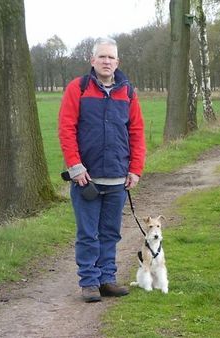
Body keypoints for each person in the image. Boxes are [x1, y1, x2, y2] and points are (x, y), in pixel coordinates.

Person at [58, 37, 146, 302]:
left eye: (111, 58)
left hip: (119, 178)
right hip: (86, 179)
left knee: (110, 232)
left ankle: (107, 278)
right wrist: (74, 166)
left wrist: (135, 169)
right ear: (92, 60)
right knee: (88, 233)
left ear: (117, 62)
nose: (107, 62)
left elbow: (136, 132)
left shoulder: (127, 92)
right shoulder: (78, 88)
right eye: (102, 57)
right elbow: (66, 129)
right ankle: (89, 282)